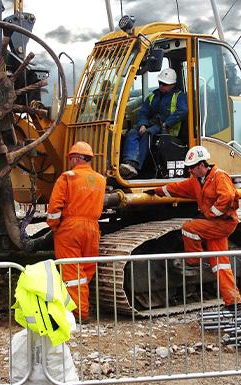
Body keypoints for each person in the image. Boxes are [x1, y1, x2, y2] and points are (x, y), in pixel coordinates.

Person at [149, 145, 241, 310]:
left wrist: (210, 215)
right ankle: (233, 303)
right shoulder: (196, 181)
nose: (190, 170)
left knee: (189, 229)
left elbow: (227, 197)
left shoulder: (219, 177)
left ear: (201, 165)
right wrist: (157, 191)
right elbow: (178, 188)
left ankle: (193, 262)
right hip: (215, 225)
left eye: (192, 167)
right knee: (221, 264)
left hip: (223, 223)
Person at [47, 141, 106, 320]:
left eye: (71, 158)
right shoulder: (101, 180)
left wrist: (55, 227)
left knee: (72, 273)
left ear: (75, 158)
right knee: (86, 271)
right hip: (93, 228)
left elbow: (55, 207)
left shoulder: (68, 177)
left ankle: (78, 314)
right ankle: (80, 305)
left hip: (70, 229)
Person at [120, 68, 188, 179]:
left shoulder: (179, 96)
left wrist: (167, 123)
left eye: (165, 84)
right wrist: (142, 124)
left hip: (166, 128)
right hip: (151, 124)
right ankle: (129, 162)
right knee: (132, 132)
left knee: (148, 134)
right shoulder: (152, 97)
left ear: (173, 85)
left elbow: (183, 111)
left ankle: (137, 167)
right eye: (160, 83)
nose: (162, 86)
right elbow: (143, 112)